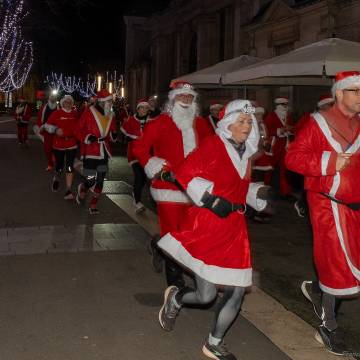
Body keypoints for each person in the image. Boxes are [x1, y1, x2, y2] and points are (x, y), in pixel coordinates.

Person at [157, 100, 267, 360]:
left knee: (237, 289)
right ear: (228, 123)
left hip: (236, 230)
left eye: (249, 122)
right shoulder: (213, 145)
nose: (246, 126)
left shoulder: (246, 153)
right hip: (207, 225)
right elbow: (184, 172)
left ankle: (214, 342)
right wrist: (208, 199)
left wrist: (257, 196)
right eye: (241, 121)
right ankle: (176, 299)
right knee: (205, 296)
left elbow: (236, 185)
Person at [285, 71, 360, 356]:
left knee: (350, 263)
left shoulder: (359, 124)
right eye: (355, 91)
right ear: (340, 93)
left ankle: (317, 289)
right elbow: (293, 159)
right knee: (337, 267)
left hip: (355, 206)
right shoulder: (318, 123)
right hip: (328, 206)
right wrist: (329, 161)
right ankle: (328, 326)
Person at [133, 81, 214, 286]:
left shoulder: (202, 124)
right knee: (173, 232)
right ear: (173, 99)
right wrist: (153, 164)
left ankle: (157, 246)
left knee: (191, 233)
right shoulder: (159, 123)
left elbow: (212, 152)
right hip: (168, 187)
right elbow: (140, 148)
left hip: (195, 187)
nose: (186, 101)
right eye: (181, 96)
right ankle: (175, 284)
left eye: (190, 97)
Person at [75, 89, 117, 215]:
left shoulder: (111, 115)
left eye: (111, 101)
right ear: (102, 101)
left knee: (101, 179)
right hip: (90, 151)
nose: (110, 103)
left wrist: (113, 134)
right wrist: (88, 137)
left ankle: (93, 203)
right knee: (90, 179)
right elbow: (77, 129)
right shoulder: (88, 112)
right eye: (109, 101)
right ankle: (83, 188)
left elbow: (112, 133)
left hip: (104, 151)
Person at [45, 95, 79, 199]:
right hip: (59, 144)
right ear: (63, 103)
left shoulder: (75, 113)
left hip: (72, 144)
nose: (68, 103)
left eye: (70, 102)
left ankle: (68, 190)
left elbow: (80, 126)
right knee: (59, 166)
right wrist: (55, 130)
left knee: (69, 166)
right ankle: (56, 177)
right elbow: (47, 125)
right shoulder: (57, 113)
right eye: (66, 102)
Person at [120, 98, 151, 213]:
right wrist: (132, 136)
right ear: (138, 109)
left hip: (147, 154)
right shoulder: (131, 120)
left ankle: (135, 193)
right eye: (142, 107)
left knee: (143, 178)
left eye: (146, 108)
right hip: (133, 153)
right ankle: (137, 201)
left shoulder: (151, 121)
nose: (144, 110)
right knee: (138, 176)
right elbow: (123, 132)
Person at [264, 97, 294, 197]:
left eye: (287, 105)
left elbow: (291, 128)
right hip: (274, 146)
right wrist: (278, 130)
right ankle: (266, 188)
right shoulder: (271, 116)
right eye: (284, 105)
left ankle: (285, 191)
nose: (286, 107)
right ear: (279, 106)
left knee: (284, 169)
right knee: (269, 168)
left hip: (285, 145)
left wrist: (289, 130)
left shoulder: (288, 116)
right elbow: (266, 131)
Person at [37, 94, 58, 171]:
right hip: (46, 131)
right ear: (49, 98)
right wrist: (41, 127)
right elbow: (39, 118)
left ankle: (54, 163)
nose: (53, 98)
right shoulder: (43, 108)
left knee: (56, 149)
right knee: (47, 149)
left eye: (54, 97)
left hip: (56, 132)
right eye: (51, 97)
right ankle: (50, 163)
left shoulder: (59, 108)